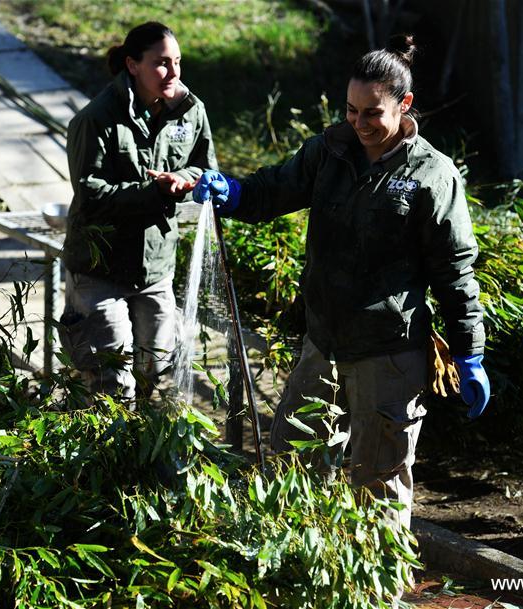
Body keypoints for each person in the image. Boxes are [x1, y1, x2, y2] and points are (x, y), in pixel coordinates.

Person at [192, 36, 490, 528]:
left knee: (379, 487)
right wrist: (236, 191)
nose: (359, 123)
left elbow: (455, 273)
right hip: (324, 342)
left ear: (404, 105)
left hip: (389, 354)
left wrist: (469, 352)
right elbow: (273, 190)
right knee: (291, 462)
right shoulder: (329, 151)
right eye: (351, 110)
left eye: (372, 113)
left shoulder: (432, 177)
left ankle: (378, 596)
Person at [60, 22, 217, 401]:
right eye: (161, 63)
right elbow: (90, 193)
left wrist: (183, 178)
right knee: (110, 386)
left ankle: (141, 456)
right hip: (101, 270)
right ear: (132, 65)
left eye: (177, 61)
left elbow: (205, 166)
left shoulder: (190, 111)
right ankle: (102, 457)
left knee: (156, 370)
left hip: (155, 266)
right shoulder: (96, 119)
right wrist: (153, 191)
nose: (174, 72)